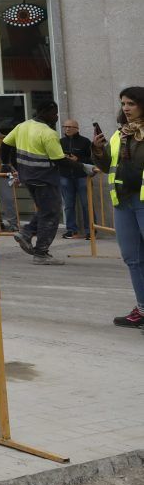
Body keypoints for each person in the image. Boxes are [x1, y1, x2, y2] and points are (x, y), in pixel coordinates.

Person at [97, 87, 144, 328]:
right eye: (123, 103)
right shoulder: (120, 134)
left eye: (131, 104)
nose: (126, 108)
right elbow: (108, 166)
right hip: (123, 201)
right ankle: (143, 309)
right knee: (132, 258)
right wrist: (98, 150)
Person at [5, 101, 68, 266]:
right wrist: (84, 168)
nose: (56, 117)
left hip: (29, 178)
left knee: (46, 210)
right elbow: (60, 160)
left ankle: (27, 233)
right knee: (51, 214)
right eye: (54, 113)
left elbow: (5, 143)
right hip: (45, 179)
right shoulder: (49, 133)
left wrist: (8, 164)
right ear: (45, 112)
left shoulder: (23, 126)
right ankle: (41, 252)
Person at [58, 118, 98, 239]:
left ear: (77, 128)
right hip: (65, 176)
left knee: (87, 204)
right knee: (68, 205)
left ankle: (90, 231)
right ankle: (71, 230)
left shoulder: (85, 142)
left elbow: (92, 160)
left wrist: (78, 160)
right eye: (65, 127)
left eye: (70, 127)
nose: (67, 129)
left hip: (81, 176)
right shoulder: (60, 142)